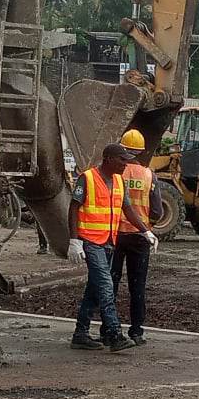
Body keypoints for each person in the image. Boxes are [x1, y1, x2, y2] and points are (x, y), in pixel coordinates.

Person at [69, 142, 156, 351]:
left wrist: (145, 230)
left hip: (108, 242)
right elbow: (73, 208)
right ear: (108, 159)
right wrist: (74, 240)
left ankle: (80, 333)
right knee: (106, 287)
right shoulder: (87, 178)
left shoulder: (118, 181)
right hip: (90, 241)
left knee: (94, 289)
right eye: (121, 160)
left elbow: (127, 208)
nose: (125, 164)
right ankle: (114, 334)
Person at [110, 129, 166, 346]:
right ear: (142, 151)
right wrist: (148, 226)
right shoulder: (149, 175)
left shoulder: (115, 173)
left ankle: (109, 328)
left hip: (114, 235)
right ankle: (136, 331)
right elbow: (157, 212)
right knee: (137, 286)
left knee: (110, 284)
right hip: (140, 236)